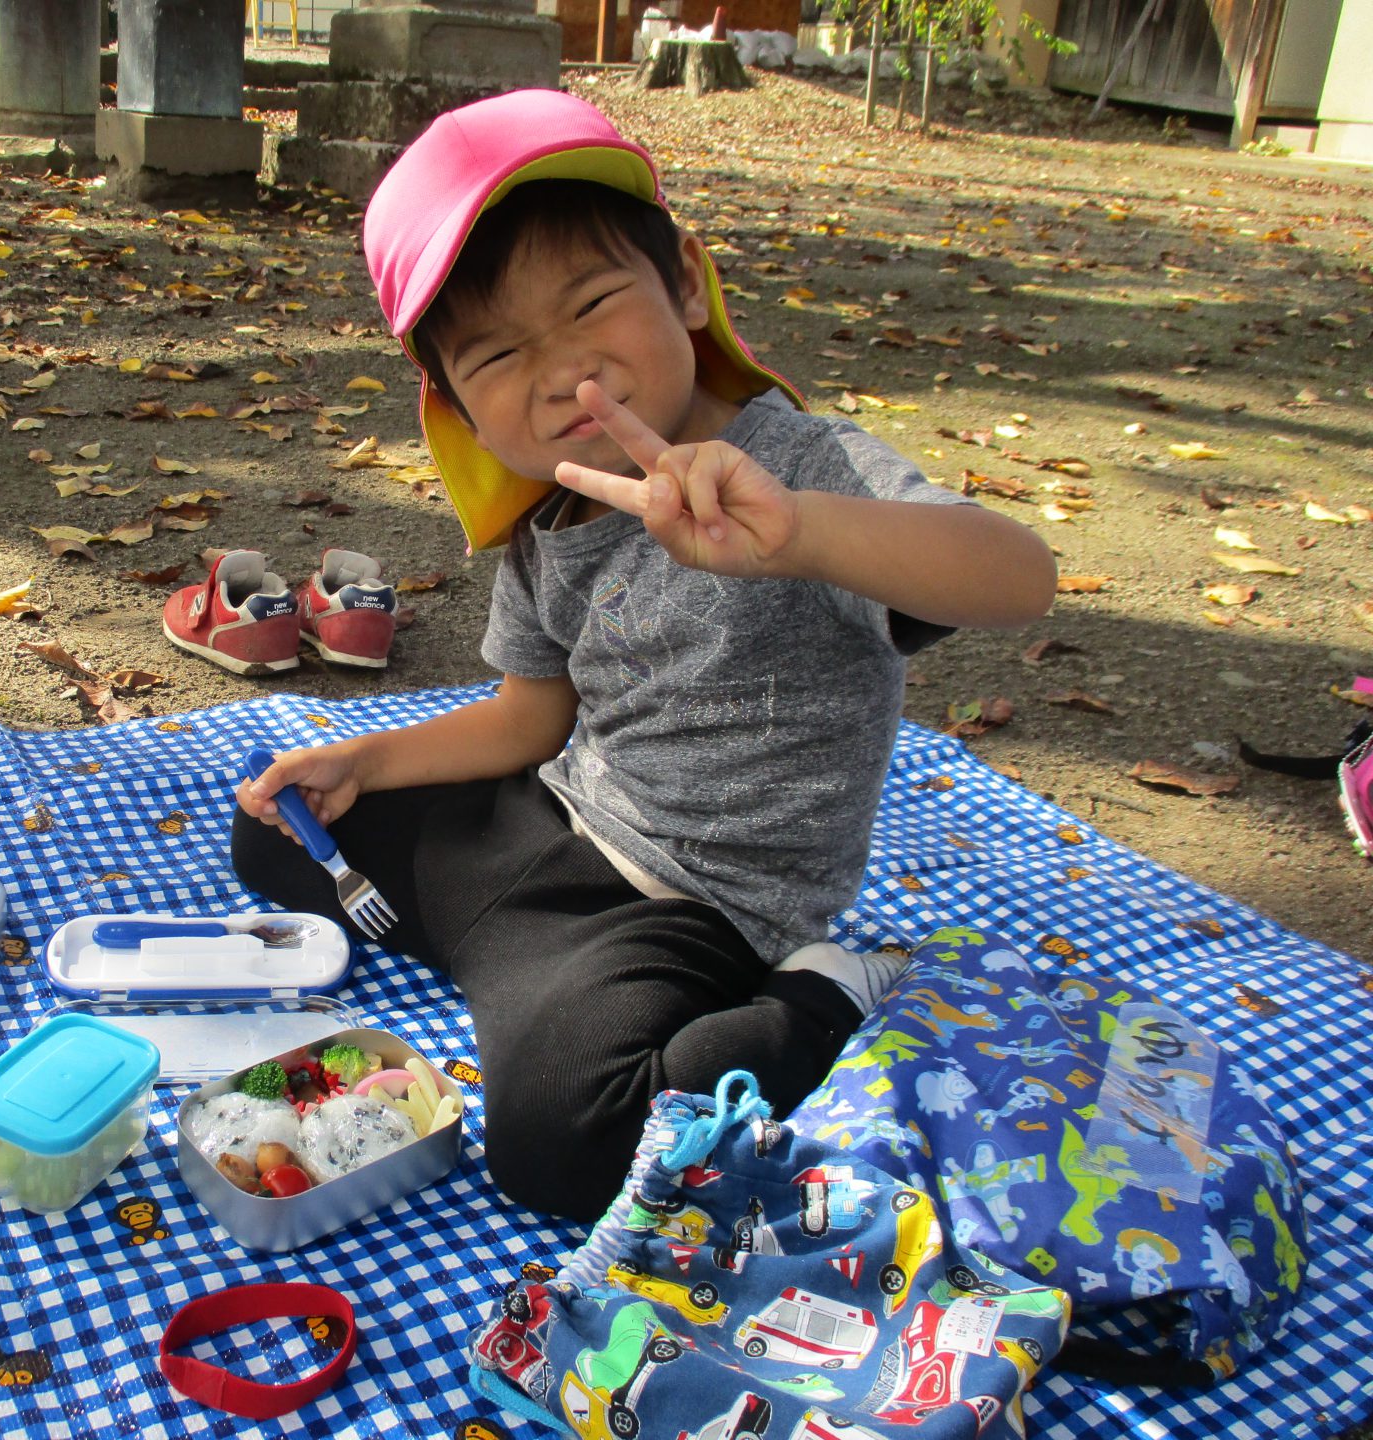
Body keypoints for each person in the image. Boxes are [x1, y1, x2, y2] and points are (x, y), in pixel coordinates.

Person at [232, 89, 1056, 1222]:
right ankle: (503, 958)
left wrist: (804, 535)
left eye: (591, 304)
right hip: (551, 825)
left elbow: (1018, 577)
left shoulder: (800, 469)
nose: (564, 372)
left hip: (699, 903)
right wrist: (363, 762)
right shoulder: (550, 515)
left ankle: (820, 996)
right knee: (279, 827)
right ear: (456, 406)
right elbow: (528, 719)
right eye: (499, 353)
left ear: (683, 280)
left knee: (560, 1147)